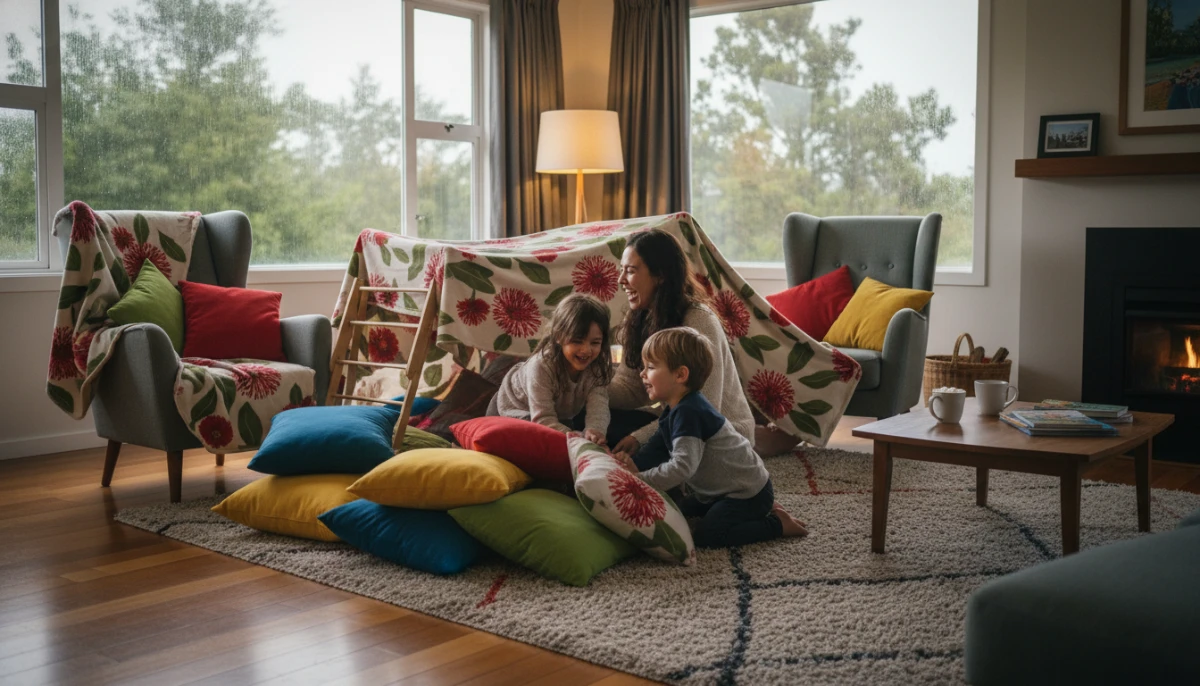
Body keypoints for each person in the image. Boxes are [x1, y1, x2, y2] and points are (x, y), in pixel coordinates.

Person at [613, 327, 807, 548]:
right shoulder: (675, 409)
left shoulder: (690, 413)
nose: (642, 374)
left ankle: (777, 524)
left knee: (708, 536)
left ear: (680, 375)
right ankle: (751, 512)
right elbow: (657, 447)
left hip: (746, 494)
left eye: (650, 367)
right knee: (678, 511)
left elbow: (681, 468)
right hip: (716, 493)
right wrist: (633, 466)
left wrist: (641, 480)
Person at [608, 228, 755, 456]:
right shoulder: (638, 317)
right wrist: (584, 389)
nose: (621, 280)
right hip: (674, 420)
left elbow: (703, 410)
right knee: (586, 420)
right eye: (621, 271)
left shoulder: (699, 321)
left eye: (630, 271)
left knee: (639, 462)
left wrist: (640, 437)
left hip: (714, 433)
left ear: (660, 275)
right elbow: (630, 388)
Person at [487, 294, 612, 446]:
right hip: (513, 410)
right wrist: (579, 439)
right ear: (559, 336)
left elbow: (599, 407)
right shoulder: (542, 366)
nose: (586, 350)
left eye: (595, 343)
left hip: (554, 416)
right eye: (577, 341)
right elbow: (543, 419)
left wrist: (595, 431)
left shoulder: (597, 369)